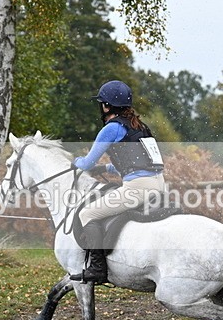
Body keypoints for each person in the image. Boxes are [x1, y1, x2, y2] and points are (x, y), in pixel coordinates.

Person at [70, 80, 166, 284]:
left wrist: (73, 162)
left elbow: (86, 164)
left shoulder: (111, 128)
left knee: (88, 213)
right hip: (159, 184)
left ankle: (97, 269)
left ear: (106, 106)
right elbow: (139, 164)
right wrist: (106, 168)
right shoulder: (140, 126)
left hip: (137, 189)